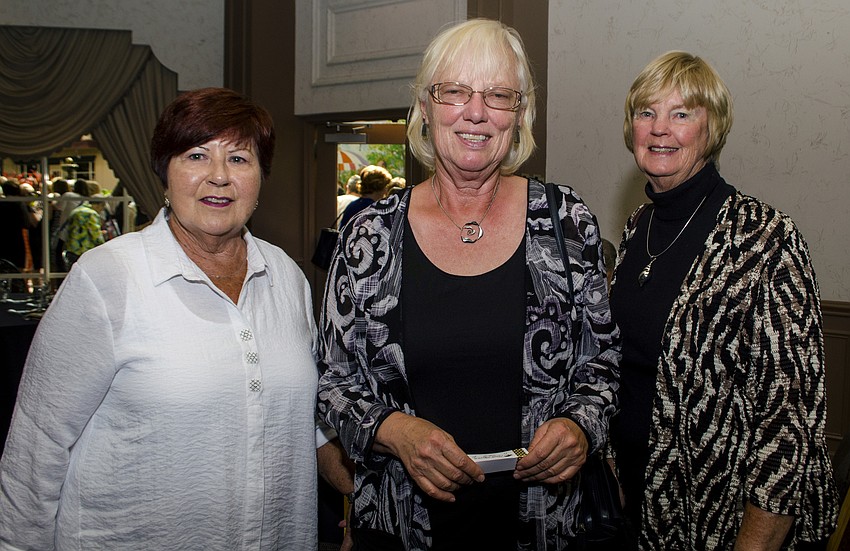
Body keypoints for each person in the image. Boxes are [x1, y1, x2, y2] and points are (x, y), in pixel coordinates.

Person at [0, 87, 353, 549]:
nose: (219, 177)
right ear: (164, 174)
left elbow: (299, 418)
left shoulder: (287, 277)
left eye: (240, 159)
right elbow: (37, 445)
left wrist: (362, 499)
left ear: (261, 178)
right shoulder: (107, 277)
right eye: (196, 155)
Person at [317, 19, 620, 550]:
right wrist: (394, 430)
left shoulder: (567, 220)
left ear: (520, 115)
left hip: (546, 527)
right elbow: (332, 385)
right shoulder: (369, 233)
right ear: (426, 107)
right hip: (401, 525)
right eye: (454, 91)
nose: (475, 112)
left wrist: (580, 425)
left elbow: (604, 362)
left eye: (498, 95)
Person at [608, 51, 837, 550]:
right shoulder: (635, 230)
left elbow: (789, 423)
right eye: (646, 112)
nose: (659, 128)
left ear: (712, 129)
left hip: (724, 522)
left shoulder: (766, 239)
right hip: (642, 511)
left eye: (682, 113)